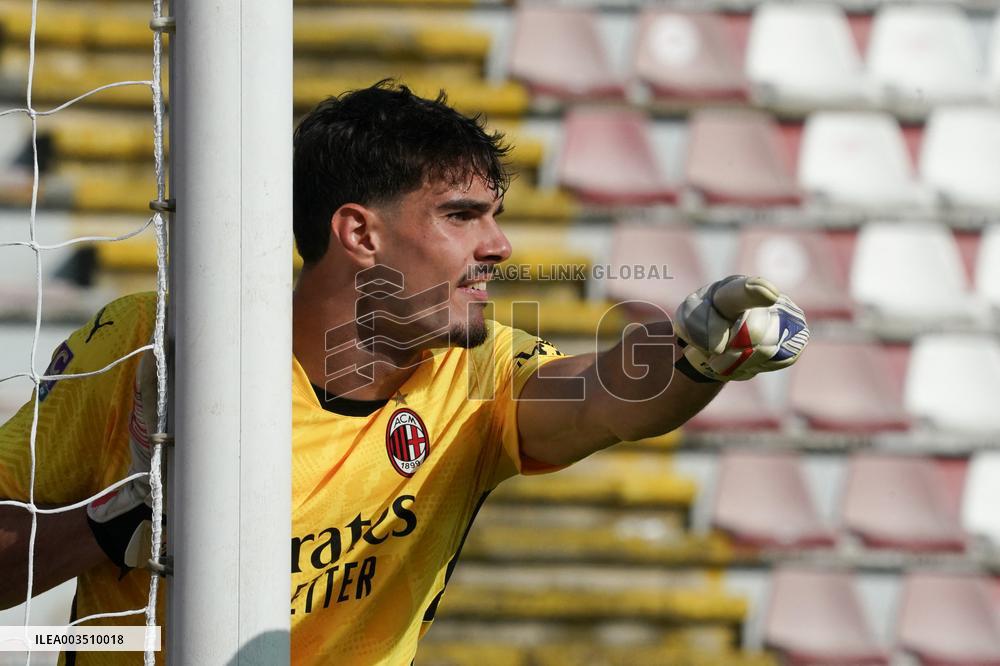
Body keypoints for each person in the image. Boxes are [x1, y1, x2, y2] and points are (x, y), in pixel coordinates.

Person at [0, 80, 809, 665]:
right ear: (360, 235)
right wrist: (110, 527)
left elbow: (603, 397)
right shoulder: (159, 342)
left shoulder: (475, 373)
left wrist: (696, 349)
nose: (499, 247)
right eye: (462, 216)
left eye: (496, 216)